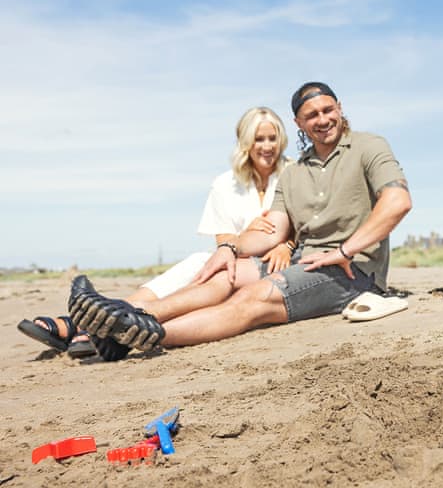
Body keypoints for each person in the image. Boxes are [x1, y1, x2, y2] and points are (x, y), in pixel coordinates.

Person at [66, 81, 412, 359]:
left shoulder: (369, 146)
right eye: (312, 115)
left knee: (252, 299)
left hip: (353, 271)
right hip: (302, 261)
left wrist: (346, 250)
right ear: (299, 123)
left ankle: (146, 333)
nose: (322, 120)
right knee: (221, 275)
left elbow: (397, 201)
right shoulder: (294, 172)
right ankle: (126, 318)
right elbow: (272, 230)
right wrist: (230, 247)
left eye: (328, 110)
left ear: (339, 109)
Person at [18, 106, 291, 359]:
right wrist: (248, 233)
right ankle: (93, 322)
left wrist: (285, 244)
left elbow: (310, 223)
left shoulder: (293, 173)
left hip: (269, 265)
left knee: (202, 266)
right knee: (200, 262)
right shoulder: (224, 184)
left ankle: (80, 324)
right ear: (245, 142)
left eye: (272, 138)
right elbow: (224, 244)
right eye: (259, 139)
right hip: (236, 262)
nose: (267, 147)